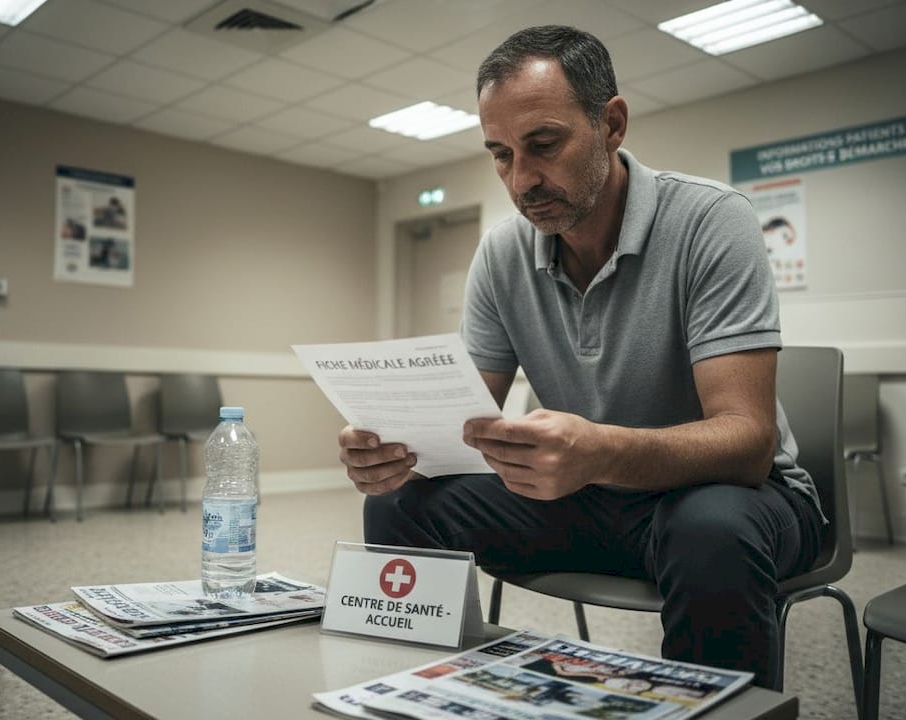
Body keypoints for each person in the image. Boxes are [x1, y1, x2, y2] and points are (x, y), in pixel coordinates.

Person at [338, 25, 826, 690]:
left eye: (543, 145)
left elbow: (747, 443)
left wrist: (601, 451)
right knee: (399, 503)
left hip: (734, 498)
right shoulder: (502, 253)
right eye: (501, 155)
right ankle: (430, 694)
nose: (522, 179)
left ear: (612, 123)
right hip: (589, 495)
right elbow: (457, 427)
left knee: (711, 529)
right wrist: (393, 448)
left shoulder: (713, 220)